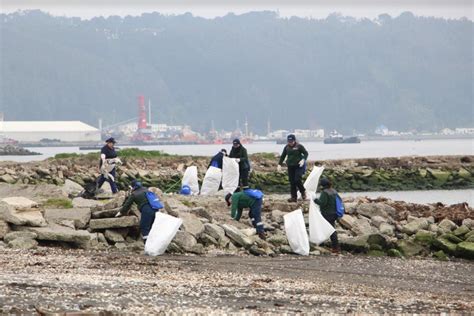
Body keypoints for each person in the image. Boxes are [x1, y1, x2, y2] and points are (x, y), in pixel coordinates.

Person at [277, 134, 308, 202]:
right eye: (289, 141)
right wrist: (279, 164)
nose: (290, 143)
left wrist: (303, 160)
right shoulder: (286, 147)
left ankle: (303, 191)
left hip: (299, 166)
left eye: (291, 141)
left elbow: (306, 153)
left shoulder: (299, 146)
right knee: (292, 182)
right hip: (290, 166)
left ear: (294, 140)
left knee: (297, 179)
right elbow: (283, 156)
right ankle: (294, 197)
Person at [314, 178, 340, 253]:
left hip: (327, 213)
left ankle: (335, 247)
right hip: (334, 213)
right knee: (330, 229)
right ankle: (333, 246)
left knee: (331, 230)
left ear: (323, 185)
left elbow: (322, 203)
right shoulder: (334, 191)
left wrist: (315, 200)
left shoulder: (325, 192)